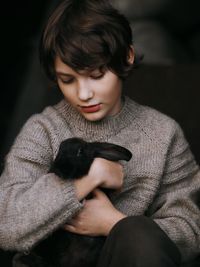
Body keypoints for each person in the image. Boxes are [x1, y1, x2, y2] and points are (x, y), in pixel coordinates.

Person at [0, 0, 199, 266]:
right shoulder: (43, 129)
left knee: (137, 233)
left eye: (96, 75)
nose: (83, 94)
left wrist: (112, 223)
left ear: (127, 56)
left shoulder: (163, 134)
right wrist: (84, 182)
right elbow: (6, 226)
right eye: (67, 79)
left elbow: (191, 232)